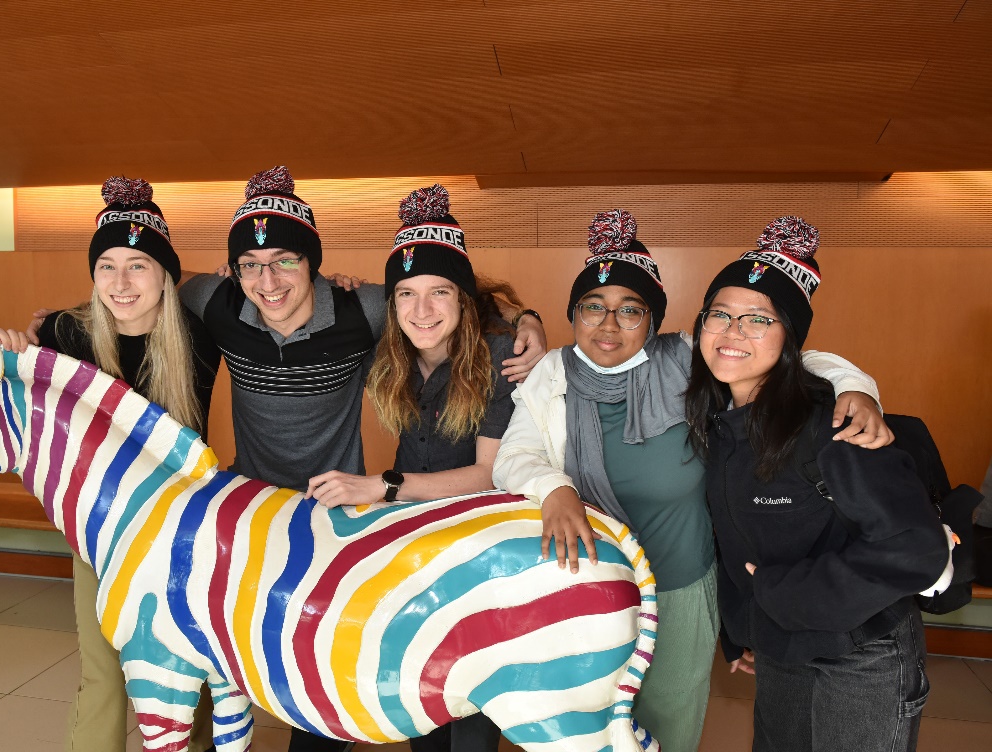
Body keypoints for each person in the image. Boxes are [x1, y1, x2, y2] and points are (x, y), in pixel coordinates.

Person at [491, 209, 891, 752]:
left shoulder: (686, 360)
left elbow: (793, 362)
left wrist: (856, 386)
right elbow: (514, 455)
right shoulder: (553, 372)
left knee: (668, 717)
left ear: (652, 321)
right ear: (574, 313)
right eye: (594, 307)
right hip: (585, 578)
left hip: (681, 582)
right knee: (585, 717)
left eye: (630, 311)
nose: (609, 325)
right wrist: (555, 487)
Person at [177, 167, 547, 752]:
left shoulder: (366, 313)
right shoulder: (218, 300)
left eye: (286, 261)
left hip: (347, 518)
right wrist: (60, 323)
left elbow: (457, 302)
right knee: (270, 657)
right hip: (259, 517)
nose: (267, 280)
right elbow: (145, 290)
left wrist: (529, 320)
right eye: (251, 263)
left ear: (313, 264)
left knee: (396, 670)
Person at [684, 216, 948, 752]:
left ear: (789, 340)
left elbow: (917, 550)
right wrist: (743, 629)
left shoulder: (833, 426)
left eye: (757, 320)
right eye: (720, 314)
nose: (733, 332)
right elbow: (734, 537)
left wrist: (781, 594)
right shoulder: (717, 425)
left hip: (863, 653)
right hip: (782, 646)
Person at [0, 177, 219, 752]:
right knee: (106, 674)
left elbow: (274, 297)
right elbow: (5, 397)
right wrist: (5, 351)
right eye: (107, 265)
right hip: (100, 535)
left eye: (138, 265)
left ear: (166, 274)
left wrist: (337, 284)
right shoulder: (65, 333)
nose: (120, 283)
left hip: (186, 535)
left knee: (198, 673)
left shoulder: (201, 336)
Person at [305, 185, 518, 752]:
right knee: (404, 687)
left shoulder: (500, 355)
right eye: (407, 294)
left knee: (464, 708)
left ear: (463, 299)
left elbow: (490, 475)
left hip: (479, 542)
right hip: (413, 532)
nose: (422, 310)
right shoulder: (393, 344)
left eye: (440, 292)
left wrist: (382, 486)